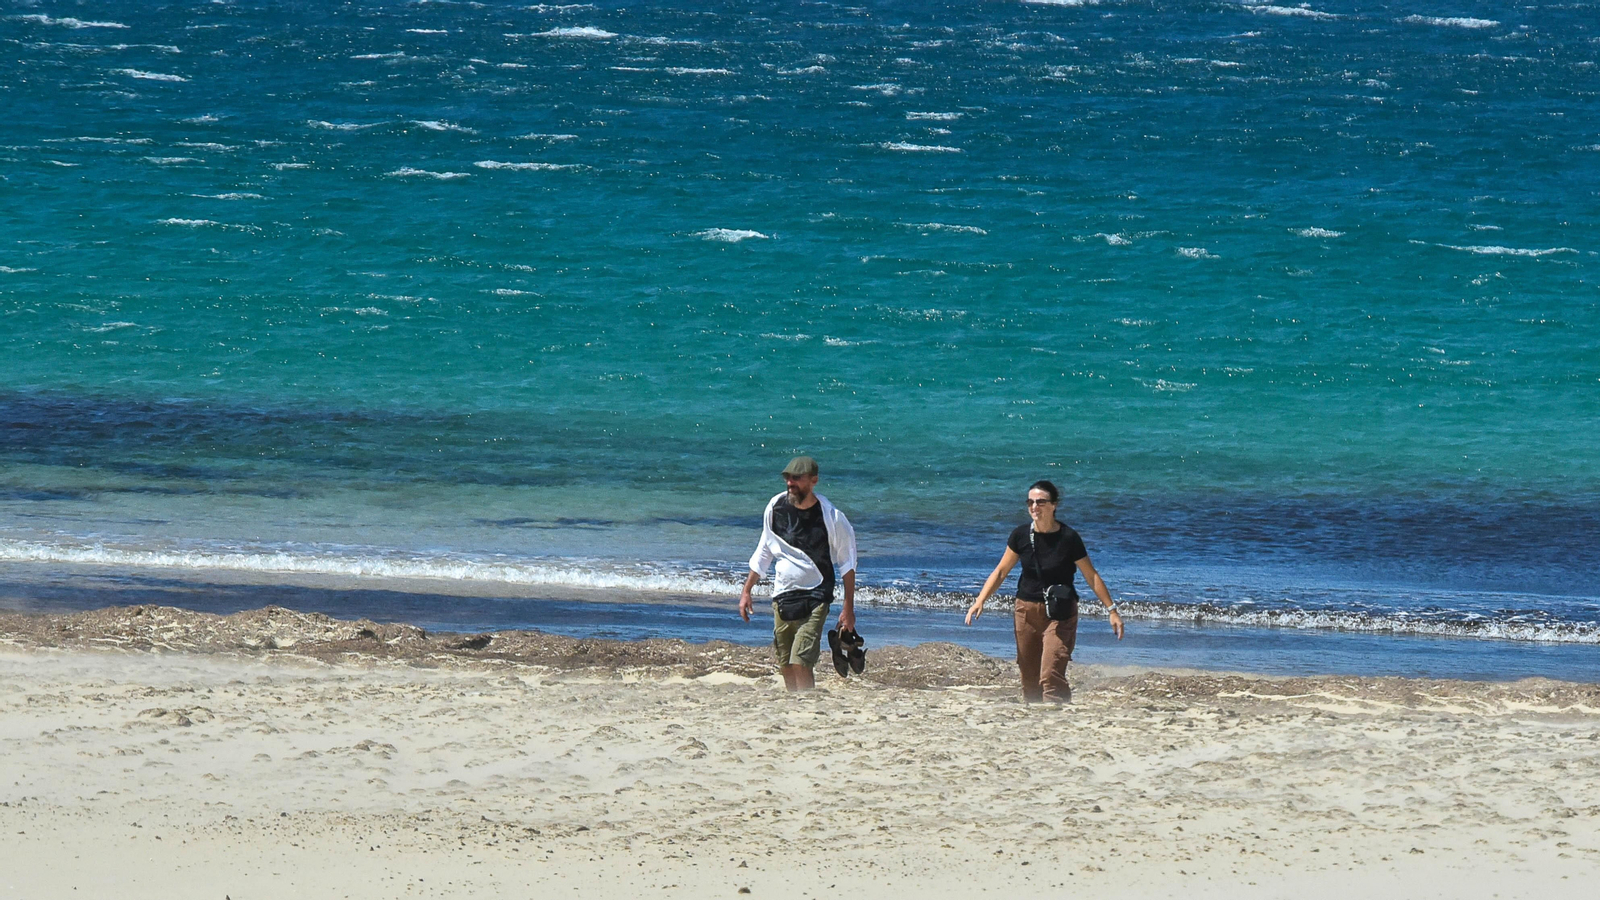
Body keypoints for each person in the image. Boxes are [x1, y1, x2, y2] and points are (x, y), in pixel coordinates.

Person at [965, 480, 1124, 703]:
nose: (1034, 507)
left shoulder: (1069, 538)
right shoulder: (1020, 535)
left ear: (1054, 505)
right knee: (1029, 676)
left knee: (1050, 673)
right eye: (1030, 502)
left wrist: (1112, 610)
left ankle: (1057, 718)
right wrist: (980, 600)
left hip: (1060, 614)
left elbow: (1091, 575)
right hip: (1026, 611)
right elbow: (1001, 571)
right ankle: (1036, 724)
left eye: (1040, 502)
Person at [740, 456, 858, 691]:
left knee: (801, 660)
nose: (790, 483)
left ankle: (806, 706)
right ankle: (795, 705)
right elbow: (764, 550)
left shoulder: (832, 517)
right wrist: (747, 590)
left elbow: (847, 563)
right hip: (783, 597)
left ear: (813, 480)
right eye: (788, 478)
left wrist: (848, 608)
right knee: (785, 662)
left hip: (816, 597)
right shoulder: (775, 508)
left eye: (796, 478)